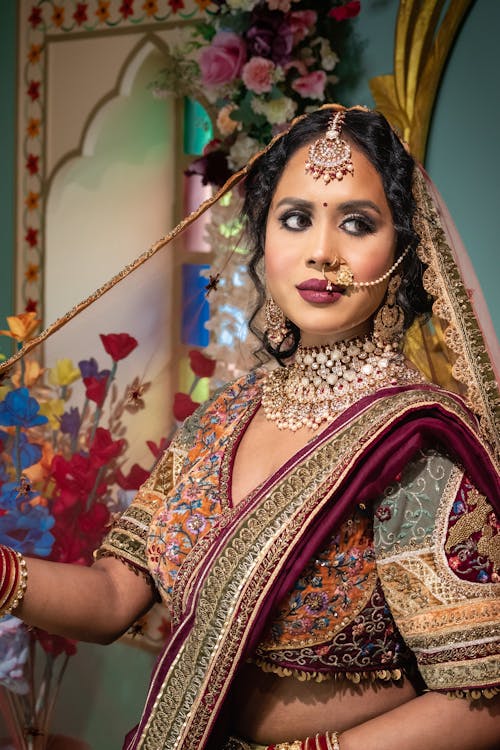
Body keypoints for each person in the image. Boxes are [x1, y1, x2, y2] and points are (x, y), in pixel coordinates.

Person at [0, 105, 499, 750]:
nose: (322, 252)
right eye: (295, 219)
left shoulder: (410, 443)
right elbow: (113, 596)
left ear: (402, 250)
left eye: (357, 222)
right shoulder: (220, 419)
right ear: (263, 240)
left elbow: (481, 699)